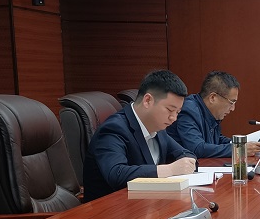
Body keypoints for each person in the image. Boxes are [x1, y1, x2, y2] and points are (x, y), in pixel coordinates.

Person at [83, 70, 196, 202]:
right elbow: (117, 174)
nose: (173, 118)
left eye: (177, 112)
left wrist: (186, 164)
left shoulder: (158, 128)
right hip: (111, 208)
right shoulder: (114, 129)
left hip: (147, 203)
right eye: (170, 110)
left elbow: (185, 154)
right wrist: (170, 170)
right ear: (147, 100)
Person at [167, 71, 260, 158]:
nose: (233, 109)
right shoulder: (188, 111)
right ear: (213, 98)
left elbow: (217, 140)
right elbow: (197, 148)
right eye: (231, 102)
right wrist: (238, 149)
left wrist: (241, 144)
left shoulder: (210, 112)